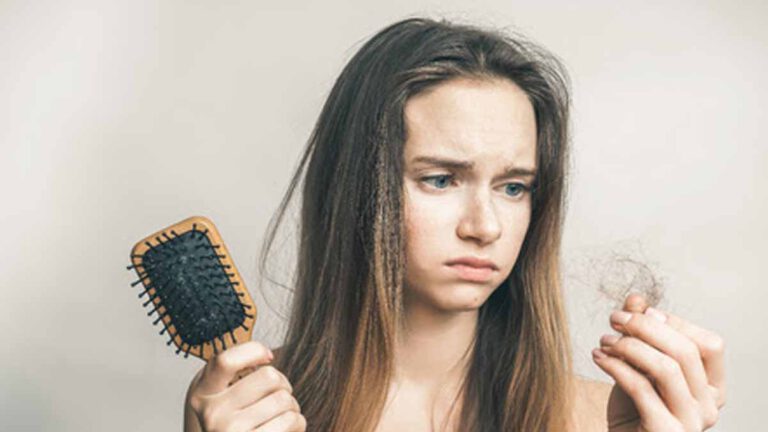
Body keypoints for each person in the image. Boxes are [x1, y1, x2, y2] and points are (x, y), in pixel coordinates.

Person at [183, 17, 726, 432]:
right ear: (357, 192)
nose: (485, 226)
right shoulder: (252, 407)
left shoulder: (598, 419)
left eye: (513, 187)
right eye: (441, 179)